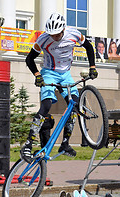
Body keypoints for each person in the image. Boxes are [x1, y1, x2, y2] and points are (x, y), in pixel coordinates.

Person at [21, 13, 98, 162]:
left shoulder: (74, 34)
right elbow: (29, 58)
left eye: (57, 34)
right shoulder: (43, 39)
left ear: (63, 29)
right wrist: (37, 75)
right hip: (49, 73)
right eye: (52, 35)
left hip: (65, 74)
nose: (54, 37)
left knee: (75, 106)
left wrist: (92, 67)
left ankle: (65, 144)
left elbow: (89, 47)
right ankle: (28, 145)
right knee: (46, 105)